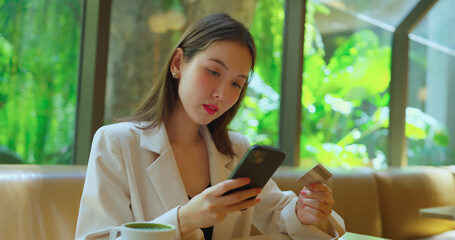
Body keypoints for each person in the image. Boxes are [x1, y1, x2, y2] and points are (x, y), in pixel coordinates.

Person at [75, 13, 345, 240]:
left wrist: (305, 213)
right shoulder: (117, 143)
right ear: (178, 63)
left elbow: (279, 214)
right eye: (214, 72)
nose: (222, 94)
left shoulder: (235, 149)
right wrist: (184, 220)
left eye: (236, 84)